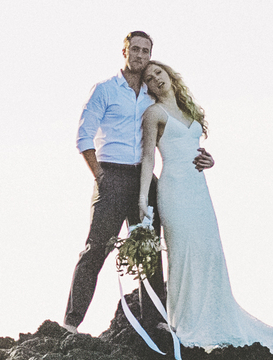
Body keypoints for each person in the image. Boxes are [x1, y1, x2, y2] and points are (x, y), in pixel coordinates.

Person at [137, 59, 273, 354]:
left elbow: (195, 150)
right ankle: (187, 322)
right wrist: (143, 198)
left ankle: (215, 318)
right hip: (174, 191)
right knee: (184, 253)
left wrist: (211, 160)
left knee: (209, 251)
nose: (156, 79)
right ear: (148, 88)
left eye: (159, 73)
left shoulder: (189, 111)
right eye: (150, 79)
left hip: (199, 190)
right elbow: (148, 159)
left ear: (169, 74)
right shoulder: (154, 113)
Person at [66, 30, 210, 329]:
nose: (140, 56)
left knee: (149, 249)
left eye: (146, 51)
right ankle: (70, 322)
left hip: (145, 178)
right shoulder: (105, 90)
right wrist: (101, 176)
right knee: (97, 248)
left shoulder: (152, 94)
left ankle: (153, 321)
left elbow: (177, 132)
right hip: (111, 174)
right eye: (135, 50)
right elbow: (83, 137)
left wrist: (203, 156)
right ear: (124, 52)